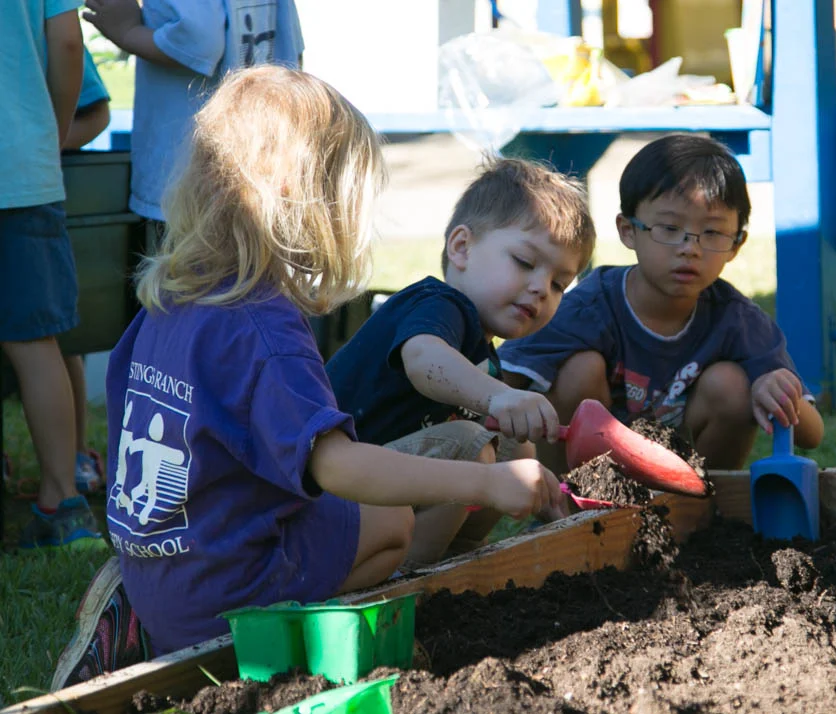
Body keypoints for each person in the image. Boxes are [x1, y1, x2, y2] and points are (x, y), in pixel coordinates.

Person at [50, 65, 565, 690]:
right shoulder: (266, 328)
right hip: (222, 602)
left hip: (158, 563)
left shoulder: (172, 298)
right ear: (307, 199)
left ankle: (140, 613)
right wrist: (488, 481)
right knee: (392, 526)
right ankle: (293, 627)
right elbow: (340, 469)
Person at [498, 133, 824, 474]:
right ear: (627, 231)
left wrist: (780, 394)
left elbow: (812, 436)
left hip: (680, 474)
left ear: (736, 244)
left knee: (732, 383)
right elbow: (501, 383)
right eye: (669, 228)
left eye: (712, 233)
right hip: (592, 474)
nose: (690, 248)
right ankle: (569, 509)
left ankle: (700, 512)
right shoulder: (587, 308)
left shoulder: (737, 320)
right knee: (580, 370)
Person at [326, 157, 597, 565]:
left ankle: (462, 558)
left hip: (379, 492)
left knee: (509, 443)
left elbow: (510, 445)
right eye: (525, 262)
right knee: (470, 445)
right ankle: (414, 581)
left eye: (560, 283)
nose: (541, 288)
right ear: (461, 248)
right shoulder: (436, 304)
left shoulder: (480, 351)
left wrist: (546, 495)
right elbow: (422, 359)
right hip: (330, 493)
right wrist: (501, 397)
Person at [1, 0, 103, 548]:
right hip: (22, 171)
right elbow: (68, 42)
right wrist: (49, 132)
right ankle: (62, 503)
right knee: (37, 343)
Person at [82, 0, 304, 246]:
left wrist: (128, 33)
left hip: (187, 181)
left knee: (186, 279)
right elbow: (292, 47)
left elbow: (198, 38)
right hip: (262, 172)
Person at [62, 47, 115, 495]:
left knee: (59, 338)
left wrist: (40, 142)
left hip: (41, 194)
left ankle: (76, 456)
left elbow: (96, 113)